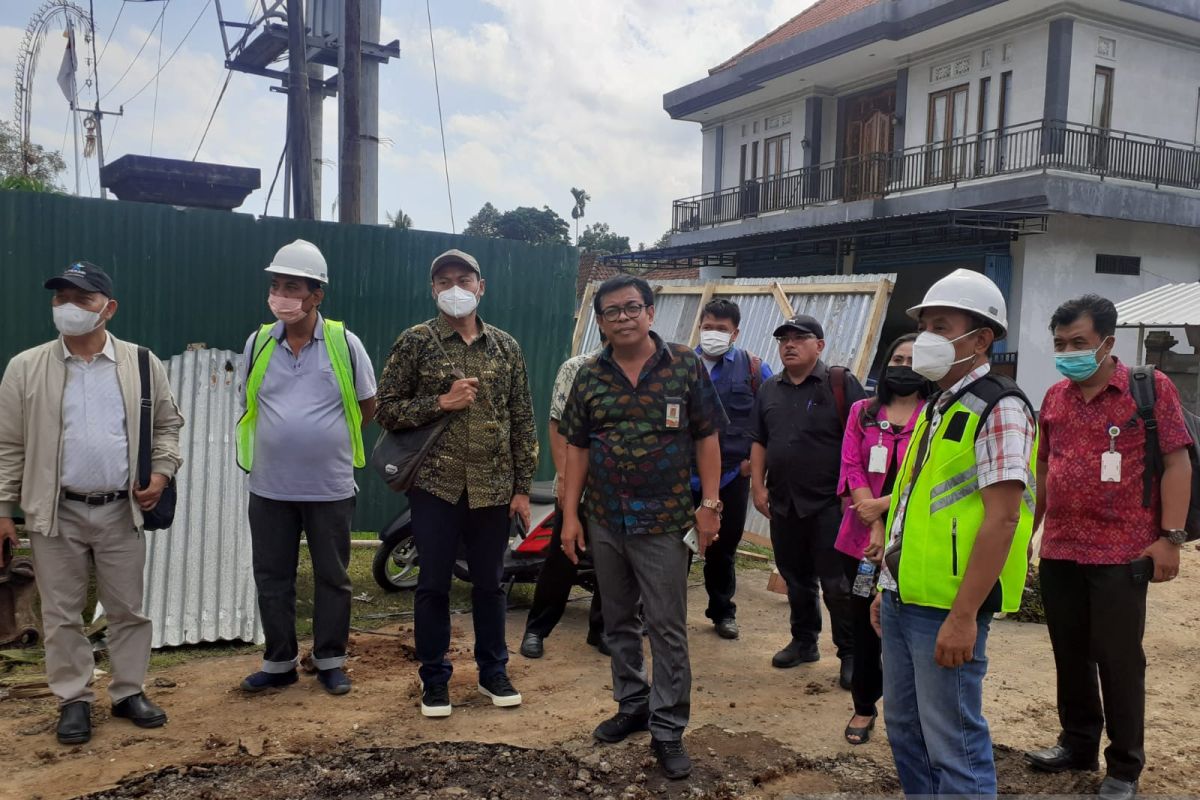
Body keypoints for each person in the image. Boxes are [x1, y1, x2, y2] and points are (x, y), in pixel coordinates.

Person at [0, 261, 184, 745]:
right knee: (61, 613)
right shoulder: (25, 367)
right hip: (54, 512)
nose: (68, 307)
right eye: (60, 297)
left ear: (108, 308)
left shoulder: (142, 364)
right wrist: (3, 509)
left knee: (128, 608)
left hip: (120, 510)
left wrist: (162, 472)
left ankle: (128, 692)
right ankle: (74, 700)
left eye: (81, 299)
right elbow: (9, 445)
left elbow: (167, 425)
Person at [870, 268, 1038, 797]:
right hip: (904, 597)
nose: (926, 339)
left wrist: (964, 616)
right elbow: (912, 506)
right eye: (924, 327)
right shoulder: (940, 404)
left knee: (954, 743)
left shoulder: (1000, 407)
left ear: (981, 338)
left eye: (941, 327)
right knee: (905, 728)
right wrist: (885, 583)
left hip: (947, 607)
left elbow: (1005, 519)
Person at [558, 274, 725, 780]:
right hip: (606, 519)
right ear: (601, 323)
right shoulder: (588, 375)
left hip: (665, 521)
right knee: (617, 621)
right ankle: (632, 704)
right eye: (612, 312)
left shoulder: (686, 366)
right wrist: (570, 515)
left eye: (632, 308)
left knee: (667, 627)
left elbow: (708, 437)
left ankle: (669, 727)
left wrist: (710, 504)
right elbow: (577, 448)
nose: (623, 318)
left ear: (650, 312)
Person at [1026, 295, 1193, 800]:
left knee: (1119, 659)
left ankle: (1124, 766)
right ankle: (1076, 743)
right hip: (1061, 549)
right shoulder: (1054, 396)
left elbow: (1177, 463)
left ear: (1107, 343)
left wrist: (1170, 539)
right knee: (1070, 654)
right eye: (1060, 344)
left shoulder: (1149, 388)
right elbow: (1042, 469)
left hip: (1123, 553)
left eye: (1079, 342)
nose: (1069, 352)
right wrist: (1028, 533)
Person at [375, 248, 536, 718]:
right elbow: (385, 408)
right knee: (432, 586)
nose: (455, 289)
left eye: (463, 279)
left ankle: (493, 672)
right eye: (444, 281)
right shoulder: (416, 342)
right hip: (435, 487)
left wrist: (521, 487)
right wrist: (440, 403)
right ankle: (434, 679)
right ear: (433, 290)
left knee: (490, 583)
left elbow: (522, 419)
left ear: (481, 286)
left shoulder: (506, 347)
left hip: (492, 488)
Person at [236, 239, 377, 697]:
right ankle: (278, 662)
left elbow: (366, 405)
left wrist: (321, 437)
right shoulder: (258, 342)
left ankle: (330, 660)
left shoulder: (343, 343)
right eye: (276, 285)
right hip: (270, 486)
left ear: (317, 294)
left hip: (329, 486)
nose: (280, 295)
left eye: (292, 286)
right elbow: (249, 401)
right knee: (271, 575)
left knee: (332, 576)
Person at [749, 314, 865, 686]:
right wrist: (758, 486)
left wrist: (855, 492)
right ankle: (804, 641)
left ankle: (850, 654)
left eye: (800, 338)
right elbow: (759, 440)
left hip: (830, 504)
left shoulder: (839, 383)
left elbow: (861, 440)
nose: (789, 344)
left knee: (836, 583)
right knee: (795, 578)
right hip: (784, 502)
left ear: (820, 345)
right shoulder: (769, 388)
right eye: (784, 338)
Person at [834, 333, 928, 745]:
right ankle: (864, 706)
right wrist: (871, 517)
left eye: (912, 359)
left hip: (914, 537)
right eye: (897, 358)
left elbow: (925, 478)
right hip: (861, 539)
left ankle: (916, 710)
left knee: (910, 624)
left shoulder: (935, 415)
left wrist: (884, 511)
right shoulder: (862, 412)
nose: (902, 365)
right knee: (863, 621)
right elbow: (852, 466)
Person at [690, 299, 772, 640]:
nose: (713, 334)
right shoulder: (678, 364)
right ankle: (658, 613)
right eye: (708, 327)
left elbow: (769, 419)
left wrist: (754, 466)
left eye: (721, 329)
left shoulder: (754, 369)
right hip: (681, 476)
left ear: (735, 333)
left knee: (724, 549)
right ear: (700, 326)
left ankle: (722, 612)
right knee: (672, 549)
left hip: (730, 477)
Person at [519, 343, 607, 659]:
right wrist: (566, 478)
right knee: (562, 559)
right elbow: (557, 424)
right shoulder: (577, 367)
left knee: (612, 564)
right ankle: (537, 629)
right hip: (577, 485)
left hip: (622, 491)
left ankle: (602, 630)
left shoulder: (647, 369)